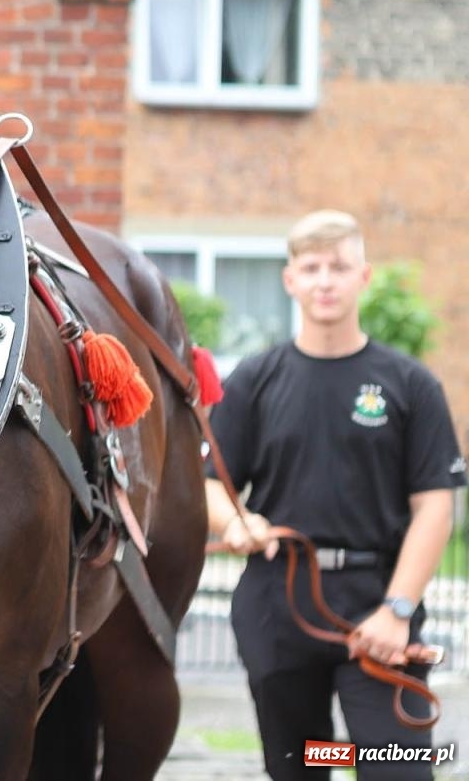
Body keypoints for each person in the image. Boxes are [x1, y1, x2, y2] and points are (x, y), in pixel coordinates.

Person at [204, 210, 463, 779]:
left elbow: (435, 508)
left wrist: (397, 612)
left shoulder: (410, 385)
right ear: (290, 279)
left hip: (377, 603)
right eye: (312, 266)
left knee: (397, 766)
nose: (326, 279)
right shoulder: (253, 378)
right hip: (278, 602)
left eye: (339, 266)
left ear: (363, 277)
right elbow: (213, 486)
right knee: (299, 766)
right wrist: (234, 524)